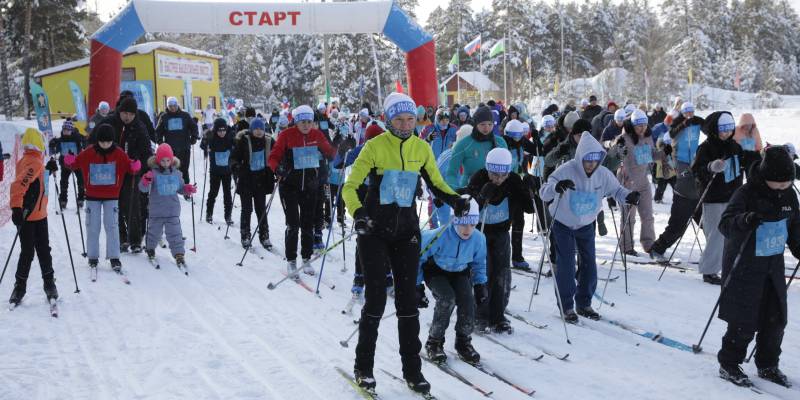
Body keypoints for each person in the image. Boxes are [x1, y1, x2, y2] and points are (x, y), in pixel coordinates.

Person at [342, 92, 469, 394]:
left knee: (408, 304)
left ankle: (413, 371)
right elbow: (351, 186)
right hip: (374, 231)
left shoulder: (421, 148)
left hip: (406, 233)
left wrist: (455, 199)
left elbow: (437, 183)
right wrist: (358, 213)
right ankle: (364, 367)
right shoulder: (374, 147)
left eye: (410, 119)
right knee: (374, 302)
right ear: (388, 119)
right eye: (399, 119)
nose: (405, 124)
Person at [717, 145, 798, 388]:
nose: (783, 187)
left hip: (772, 265)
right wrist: (745, 220)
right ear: (766, 176)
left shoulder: (790, 194)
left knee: (776, 319)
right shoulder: (746, 193)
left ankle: (768, 364)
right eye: (779, 183)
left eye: (788, 183)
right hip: (744, 264)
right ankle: (729, 363)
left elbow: (795, 227)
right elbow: (725, 224)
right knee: (744, 318)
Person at [539, 132, 637, 323]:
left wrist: (628, 196)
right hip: (563, 223)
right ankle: (566, 306)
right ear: (580, 157)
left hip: (586, 225)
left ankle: (584, 303)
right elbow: (544, 192)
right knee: (566, 265)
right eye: (587, 160)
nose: (591, 164)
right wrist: (557, 187)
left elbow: (616, 190)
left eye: (596, 160)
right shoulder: (566, 170)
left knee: (589, 265)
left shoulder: (603, 174)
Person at [462, 148, 534, 333]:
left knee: (501, 273)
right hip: (480, 233)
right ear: (487, 169)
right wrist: (481, 196)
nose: (499, 178)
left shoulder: (513, 181)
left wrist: (530, 190)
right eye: (494, 173)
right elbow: (469, 210)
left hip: (502, 232)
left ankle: (498, 315)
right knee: (482, 272)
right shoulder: (478, 178)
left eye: (503, 174)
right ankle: (479, 314)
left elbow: (529, 208)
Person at [691, 111, 759, 285]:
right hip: (714, 197)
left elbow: (747, 160)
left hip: (734, 196)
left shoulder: (734, 146)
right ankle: (709, 270)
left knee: (734, 234)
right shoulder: (706, 147)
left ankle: (729, 265)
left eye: (730, 128)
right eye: (723, 129)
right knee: (716, 235)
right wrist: (710, 167)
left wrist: (761, 157)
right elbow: (697, 170)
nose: (727, 133)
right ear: (715, 129)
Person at [268, 105, 336, 275]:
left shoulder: (316, 135)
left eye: (309, 122)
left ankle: (306, 258)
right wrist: (278, 169)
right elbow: (273, 158)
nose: (306, 125)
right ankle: (291, 260)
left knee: (308, 224)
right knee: (293, 224)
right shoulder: (286, 135)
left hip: (310, 186)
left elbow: (331, 154)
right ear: (296, 122)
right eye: (303, 122)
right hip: (289, 186)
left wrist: (340, 143)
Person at [65, 124, 140, 273]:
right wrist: (69, 160)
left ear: (113, 140)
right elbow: (75, 163)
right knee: (93, 226)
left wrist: (135, 165)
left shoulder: (119, 153)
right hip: (92, 196)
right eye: (102, 141)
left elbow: (130, 168)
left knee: (112, 226)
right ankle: (92, 256)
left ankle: (114, 257)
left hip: (112, 196)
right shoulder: (89, 152)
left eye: (108, 141)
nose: (105, 144)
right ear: (97, 140)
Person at [420, 199, 487, 364]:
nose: (467, 229)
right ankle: (434, 342)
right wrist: (416, 285)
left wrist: (480, 285)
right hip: (436, 271)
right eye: (463, 223)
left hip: (459, 272)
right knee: (447, 299)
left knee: (467, 300)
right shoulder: (439, 235)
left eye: (472, 224)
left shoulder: (478, 239)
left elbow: (479, 264)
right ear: (453, 220)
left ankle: (463, 341)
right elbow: (418, 257)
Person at [648, 102, 705, 263]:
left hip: (694, 174)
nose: (689, 115)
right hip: (680, 165)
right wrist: (683, 124)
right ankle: (657, 248)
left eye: (691, 112)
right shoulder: (677, 122)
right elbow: (671, 135)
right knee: (677, 226)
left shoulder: (696, 123)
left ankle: (717, 252)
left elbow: (707, 126)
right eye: (686, 112)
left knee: (708, 224)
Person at [8, 129, 58, 306]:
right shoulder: (34, 162)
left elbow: (37, 184)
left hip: (37, 215)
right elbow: (18, 186)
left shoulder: (31, 160)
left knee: (30, 251)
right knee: (38, 251)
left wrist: (49, 171)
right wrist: (16, 208)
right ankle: (43, 285)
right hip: (30, 216)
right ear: (40, 145)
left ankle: (23, 286)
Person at [99, 96, 153, 254]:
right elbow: (95, 141)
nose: (128, 117)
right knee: (114, 205)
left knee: (132, 204)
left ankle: (135, 240)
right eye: (125, 113)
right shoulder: (109, 123)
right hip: (111, 171)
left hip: (132, 172)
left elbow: (146, 151)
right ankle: (121, 238)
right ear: (119, 111)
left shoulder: (139, 127)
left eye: (131, 114)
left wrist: (143, 166)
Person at [608, 109, 660, 256]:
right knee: (628, 217)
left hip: (643, 181)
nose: (642, 128)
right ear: (633, 125)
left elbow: (651, 155)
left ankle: (649, 244)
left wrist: (663, 153)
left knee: (648, 215)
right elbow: (612, 153)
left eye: (644, 125)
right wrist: (616, 144)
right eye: (638, 125)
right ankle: (626, 246)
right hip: (627, 181)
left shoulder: (648, 136)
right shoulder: (625, 137)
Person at [139, 143, 195, 266]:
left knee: (175, 233)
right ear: (158, 160)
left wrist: (188, 189)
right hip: (156, 210)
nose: (165, 163)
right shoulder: (153, 173)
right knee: (154, 232)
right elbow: (143, 189)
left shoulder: (176, 174)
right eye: (162, 160)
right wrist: (145, 180)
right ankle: (150, 248)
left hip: (172, 211)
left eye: (168, 160)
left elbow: (180, 188)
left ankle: (179, 253)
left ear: (171, 159)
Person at [232, 118, 275, 250]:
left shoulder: (268, 141)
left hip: (261, 180)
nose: (258, 131)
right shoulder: (243, 141)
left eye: (261, 129)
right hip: (246, 180)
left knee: (261, 209)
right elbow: (233, 158)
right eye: (256, 129)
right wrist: (237, 166)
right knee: (247, 209)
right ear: (251, 130)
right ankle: (245, 235)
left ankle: (264, 235)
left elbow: (277, 156)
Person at [502, 119, 539, 270]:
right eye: (514, 137)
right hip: (503, 188)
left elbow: (536, 152)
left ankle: (517, 257)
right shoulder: (502, 145)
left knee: (519, 221)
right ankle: (501, 256)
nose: (517, 140)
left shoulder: (521, 144)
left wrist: (530, 175)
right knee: (504, 224)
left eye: (520, 136)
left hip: (517, 186)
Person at [445, 106, 508, 190]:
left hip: (496, 193)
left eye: (490, 124)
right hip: (470, 192)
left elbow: (508, 170)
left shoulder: (500, 142)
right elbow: (451, 173)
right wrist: (457, 192)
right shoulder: (464, 144)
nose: (486, 128)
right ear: (476, 124)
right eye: (482, 124)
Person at [155, 97, 199, 185]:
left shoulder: (185, 115)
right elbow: (158, 131)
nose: (172, 108)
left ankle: (186, 188)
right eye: (170, 106)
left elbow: (194, 126)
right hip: (170, 149)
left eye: (174, 105)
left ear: (177, 105)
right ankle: (172, 188)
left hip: (184, 147)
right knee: (170, 169)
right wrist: (160, 142)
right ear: (167, 106)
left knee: (184, 169)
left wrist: (194, 137)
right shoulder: (164, 117)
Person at [200, 118, 235, 225]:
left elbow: (237, 145)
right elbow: (202, 146)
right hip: (215, 171)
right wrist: (205, 140)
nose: (222, 132)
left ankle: (228, 216)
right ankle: (209, 213)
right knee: (213, 193)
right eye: (219, 131)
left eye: (223, 130)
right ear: (215, 130)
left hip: (227, 171)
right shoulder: (212, 137)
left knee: (227, 194)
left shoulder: (230, 136)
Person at [46, 120, 86, 209]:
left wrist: (84, 141)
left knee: (81, 182)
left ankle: (81, 198)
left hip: (77, 163)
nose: (66, 131)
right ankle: (63, 200)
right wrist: (52, 144)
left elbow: (86, 143)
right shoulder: (61, 139)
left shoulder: (77, 137)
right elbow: (54, 149)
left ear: (71, 130)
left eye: (68, 130)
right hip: (65, 164)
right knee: (63, 182)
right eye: (64, 130)